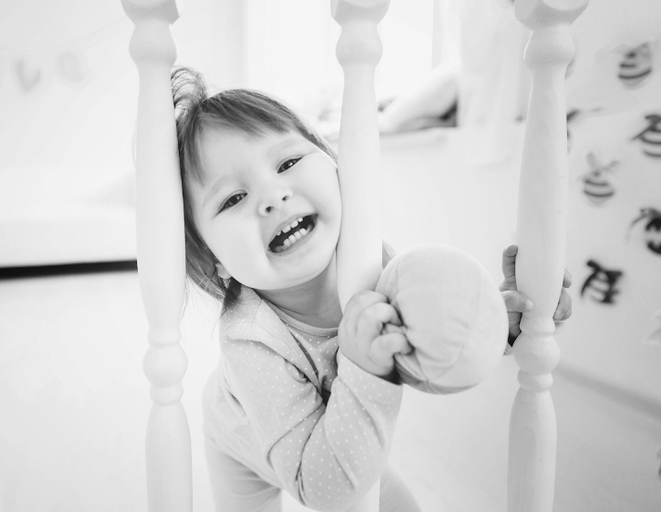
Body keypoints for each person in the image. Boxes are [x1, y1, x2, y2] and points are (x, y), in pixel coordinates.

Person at [170, 66, 572, 512]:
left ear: (335, 165)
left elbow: (432, 344)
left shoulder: (370, 260)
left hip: (344, 428)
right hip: (243, 445)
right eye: (233, 198)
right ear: (215, 262)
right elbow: (321, 488)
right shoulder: (250, 343)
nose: (272, 196)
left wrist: (500, 320)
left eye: (287, 163)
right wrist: (364, 367)